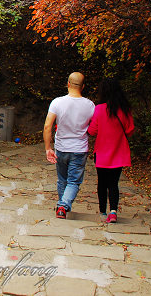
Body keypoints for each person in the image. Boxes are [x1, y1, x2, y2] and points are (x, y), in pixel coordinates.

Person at [44, 72, 95, 219]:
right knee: (73, 181)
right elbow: (93, 127)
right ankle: (63, 206)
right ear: (83, 86)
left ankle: (62, 205)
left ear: (68, 84)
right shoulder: (90, 105)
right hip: (79, 148)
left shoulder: (57, 102)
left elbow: (48, 126)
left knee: (62, 179)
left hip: (61, 147)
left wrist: (48, 148)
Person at [88, 77, 134, 223]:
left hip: (101, 152)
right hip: (119, 151)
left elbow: (93, 130)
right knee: (114, 183)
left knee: (102, 182)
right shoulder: (125, 110)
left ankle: (102, 211)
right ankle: (113, 211)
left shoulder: (99, 109)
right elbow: (130, 129)